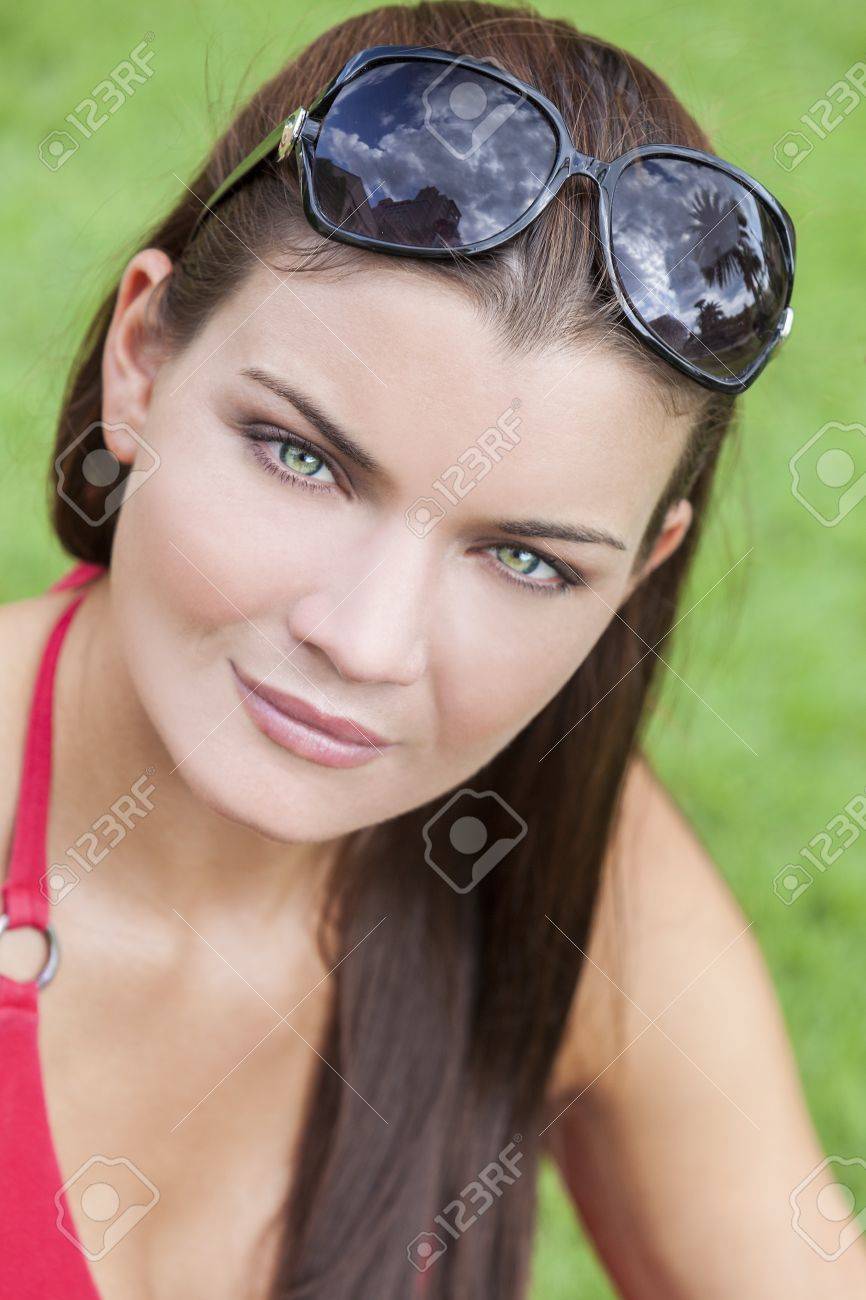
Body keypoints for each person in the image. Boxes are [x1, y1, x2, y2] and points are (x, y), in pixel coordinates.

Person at [1, 2, 862, 1298]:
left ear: (639, 572)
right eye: (301, 458)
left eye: (525, 560)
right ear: (140, 361)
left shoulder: (573, 877)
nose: (363, 640)